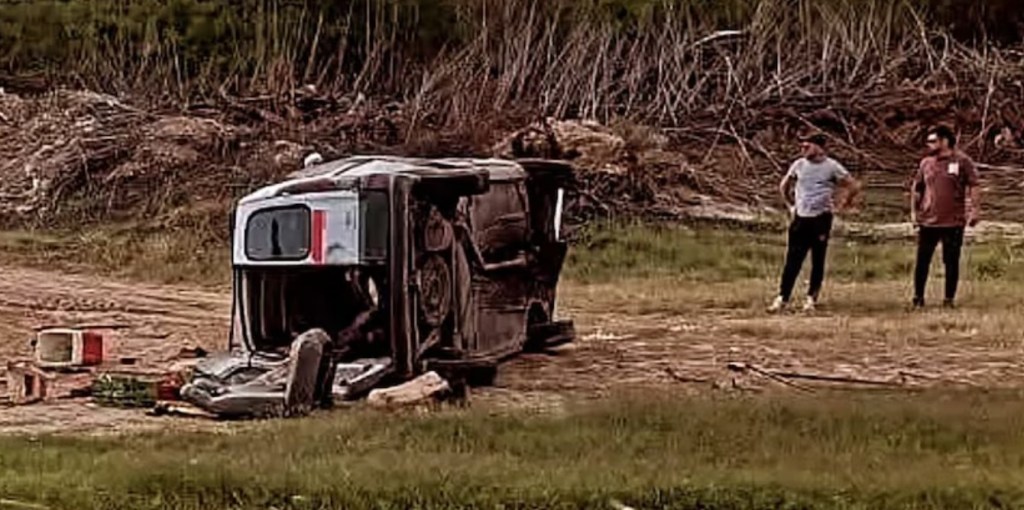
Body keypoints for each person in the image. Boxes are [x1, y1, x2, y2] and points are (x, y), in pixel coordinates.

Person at [769, 133, 861, 313]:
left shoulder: (831, 166)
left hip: (821, 218)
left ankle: (811, 298)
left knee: (817, 259)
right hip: (800, 218)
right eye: (802, 146)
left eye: (807, 146)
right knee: (792, 259)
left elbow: (853, 185)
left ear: (819, 147)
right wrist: (790, 205)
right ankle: (782, 297)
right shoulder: (799, 164)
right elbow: (784, 185)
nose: (803, 150)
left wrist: (843, 204)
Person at [910, 125, 981, 308]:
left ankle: (948, 299)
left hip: (953, 221)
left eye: (933, 141)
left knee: (951, 261)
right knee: (922, 260)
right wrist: (913, 211)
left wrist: (974, 210)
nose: (929, 144)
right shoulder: (926, 163)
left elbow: (974, 185)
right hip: (928, 220)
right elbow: (917, 188)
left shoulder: (962, 161)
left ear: (945, 141)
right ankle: (918, 297)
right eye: (928, 141)